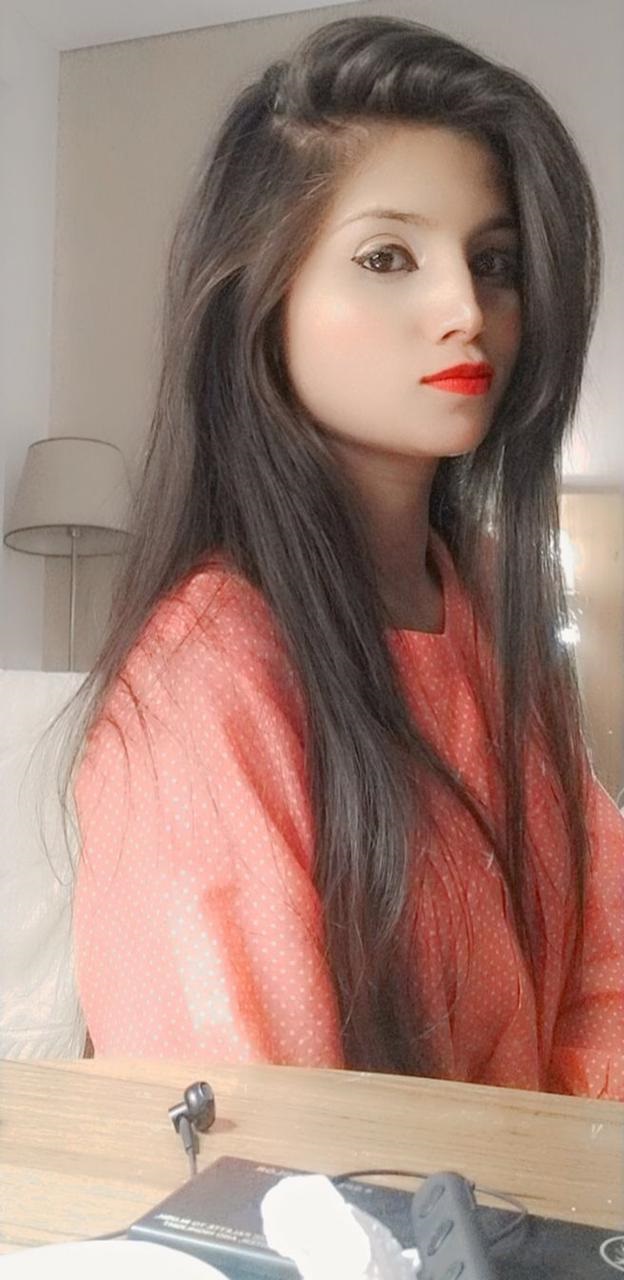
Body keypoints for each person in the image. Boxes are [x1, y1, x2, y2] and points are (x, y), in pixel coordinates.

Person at [71, 15, 624, 1096]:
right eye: (387, 258)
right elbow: (258, 1141)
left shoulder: (492, 615)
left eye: (495, 263)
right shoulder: (208, 674)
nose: (465, 309)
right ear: (262, 296)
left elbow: (606, 973)